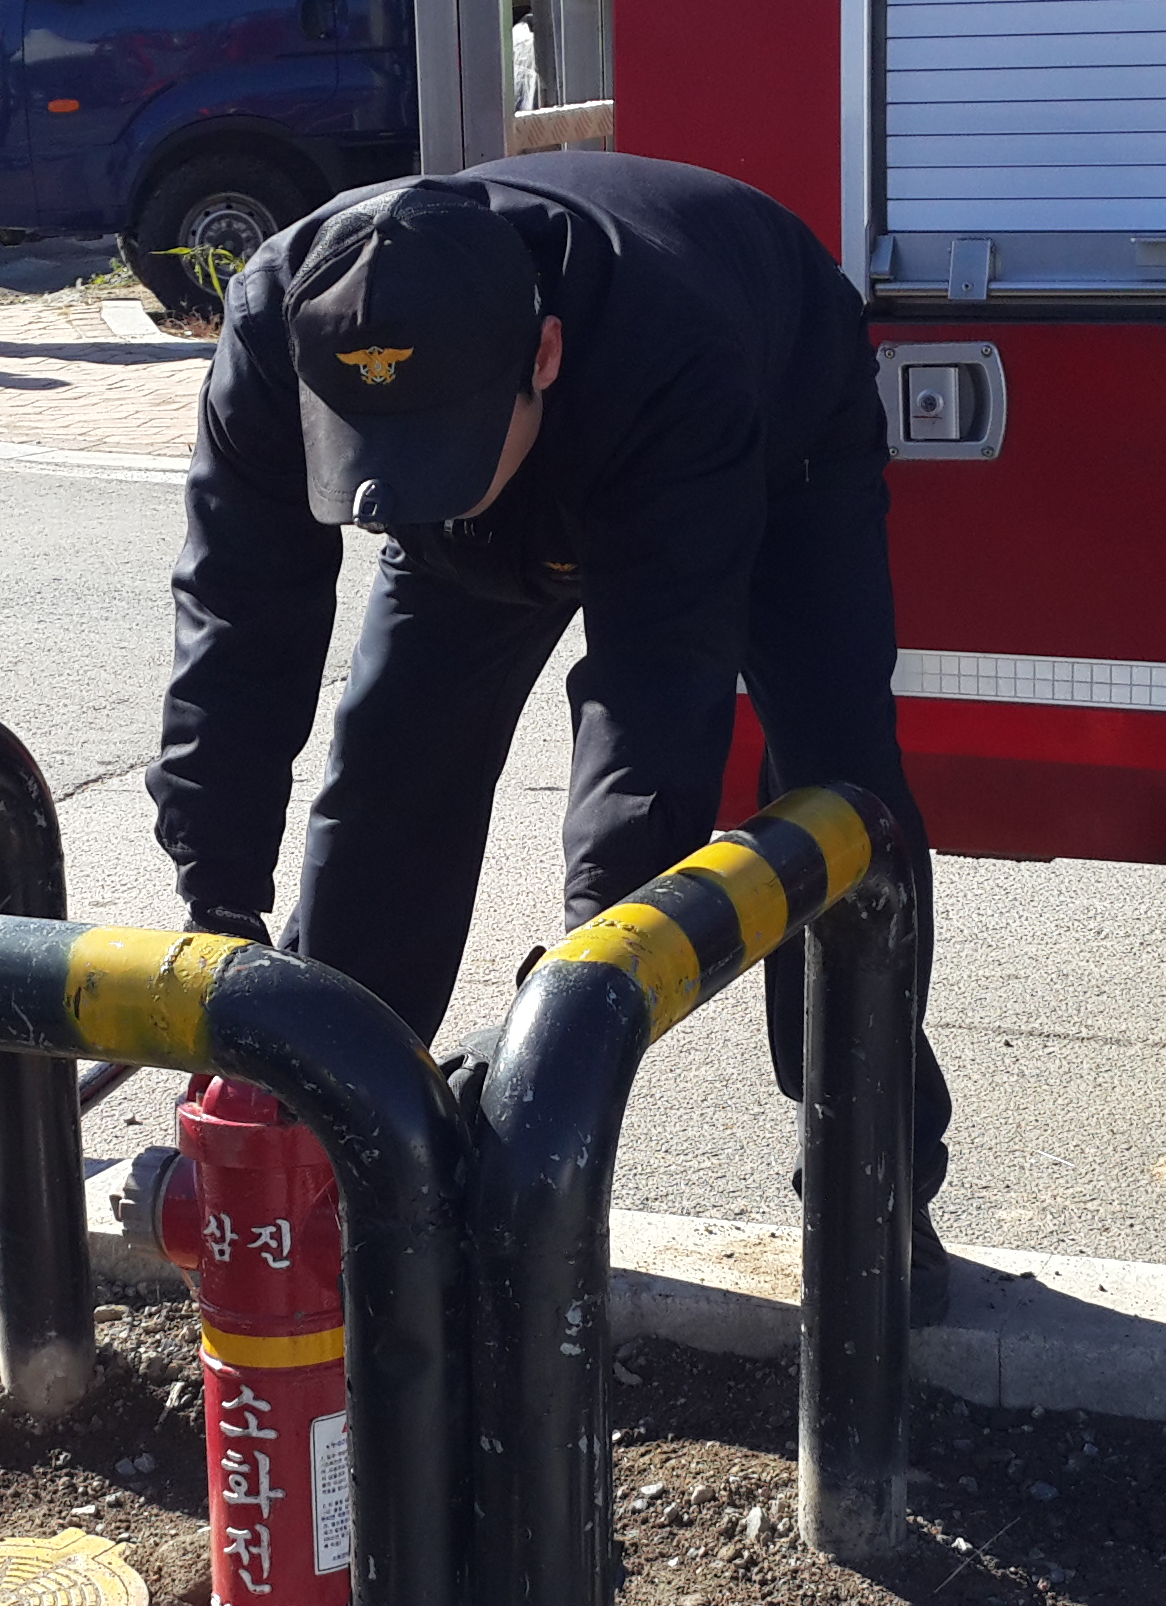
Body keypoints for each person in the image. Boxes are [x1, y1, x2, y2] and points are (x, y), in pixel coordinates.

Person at [146, 151, 958, 1308]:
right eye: (383, 462)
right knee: (390, 773)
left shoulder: (676, 353)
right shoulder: (282, 321)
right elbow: (239, 612)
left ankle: (876, 1184)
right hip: (525, 455)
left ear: (542, 356)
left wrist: (568, 1010)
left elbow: (655, 703)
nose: (422, 492)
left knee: (837, 792)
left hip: (775, 436)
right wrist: (218, 896)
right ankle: (331, 1150)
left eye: (439, 458)